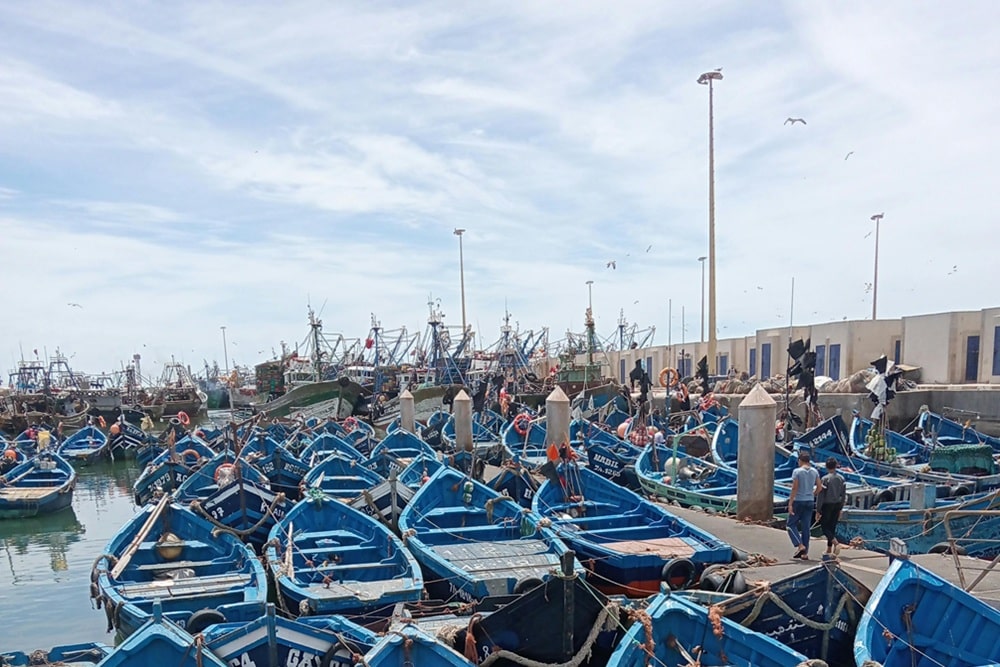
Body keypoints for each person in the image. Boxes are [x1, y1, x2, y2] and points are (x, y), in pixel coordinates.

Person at [787, 450, 822, 560]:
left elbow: (795, 487)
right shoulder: (814, 471)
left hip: (799, 500)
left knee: (790, 525)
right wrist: (812, 494)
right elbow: (819, 487)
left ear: (800, 460)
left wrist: (790, 503)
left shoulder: (797, 472)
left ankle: (800, 545)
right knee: (806, 527)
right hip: (810, 501)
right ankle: (805, 553)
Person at [817, 457, 847, 557]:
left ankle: (835, 543)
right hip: (837, 504)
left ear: (826, 466)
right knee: (832, 526)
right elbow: (843, 494)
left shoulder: (825, 479)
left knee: (824, 526)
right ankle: (829, 549)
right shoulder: (841, 478)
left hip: (827, 504)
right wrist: (841, 508)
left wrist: (818, 509)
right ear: (836, 466)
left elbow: (821, 495)